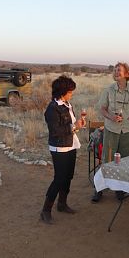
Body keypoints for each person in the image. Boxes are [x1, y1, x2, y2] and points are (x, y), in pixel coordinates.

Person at [92, 62, 129, 202]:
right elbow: (102, 108)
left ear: (127, 74)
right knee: (107, 160)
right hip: (111, 129)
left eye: (119, 70)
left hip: (128, 130)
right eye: (115, 70)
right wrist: (111, 116)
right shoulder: (109, 89)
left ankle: (120, 190)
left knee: (125, 160)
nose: (116, 72)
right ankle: (99, 189)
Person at [41, 75, 84, 224]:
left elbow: (70, 125)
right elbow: (55, 131)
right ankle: (45, 210)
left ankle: (62, 204)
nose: (72, 93)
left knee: (68, 176)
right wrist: (74, 127)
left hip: (70, 144)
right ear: (62, 91)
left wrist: (77, 126)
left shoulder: (67, 104)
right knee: (59, 178)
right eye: (70, 91)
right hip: (59, 147)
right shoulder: (52, 109)